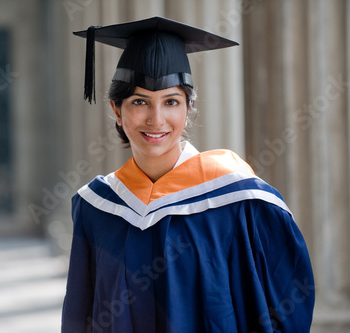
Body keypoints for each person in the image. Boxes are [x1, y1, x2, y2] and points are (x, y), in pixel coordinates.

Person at [62, 16, 315, 333]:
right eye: (139, 101)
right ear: (116, 109)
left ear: (189, 108)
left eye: (171, 102)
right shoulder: (96, 207)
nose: (156, 120)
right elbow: (80, 314)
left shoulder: (241, 200)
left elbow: (287, 306)